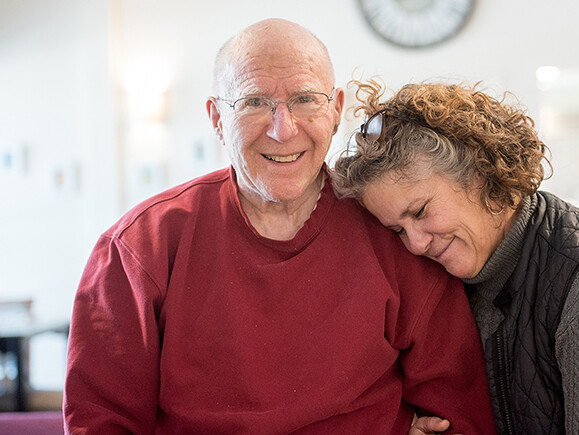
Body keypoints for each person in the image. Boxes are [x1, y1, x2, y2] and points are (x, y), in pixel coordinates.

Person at [63, 20, 496, 434]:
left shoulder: (396, 232)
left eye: (306, 99)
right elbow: (101, 423)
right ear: (216, 118)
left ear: (336, 110)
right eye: (254, 102)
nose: (283, 128)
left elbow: (458, 412)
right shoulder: (140, 248)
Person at [333, 79, 579, 434]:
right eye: (398, 230)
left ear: (479, 171)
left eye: (420, 212)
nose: (415, 244)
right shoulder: (474, 272)